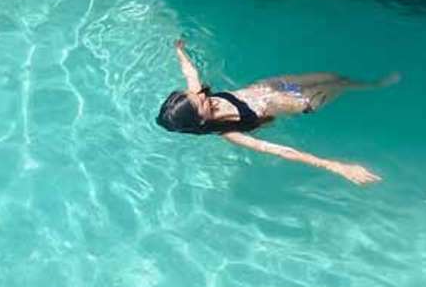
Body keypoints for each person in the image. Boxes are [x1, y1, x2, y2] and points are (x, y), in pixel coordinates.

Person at [156, 39, 396, 185]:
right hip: (302, 102)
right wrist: (335, 166)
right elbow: (282, 151)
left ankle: (367, 84)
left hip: (277, 85)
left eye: (197, 94)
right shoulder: (230, 132)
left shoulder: (197, 95)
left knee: (334, 77)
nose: (202, 95)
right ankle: (374, 87)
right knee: (339, 85)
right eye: (200, 103)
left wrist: (179, 50)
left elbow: (190, 73)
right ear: (200, 121)